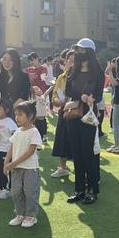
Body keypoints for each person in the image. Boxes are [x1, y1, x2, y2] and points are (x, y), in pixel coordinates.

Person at [65, 38, 105, 205]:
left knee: (88, 154)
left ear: (89, 52)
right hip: (73, 114)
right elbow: (67, 90)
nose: (78, 53)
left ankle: (92, 190)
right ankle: (79, 189)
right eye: (77, 50)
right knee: (77, 153)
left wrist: (88, 97)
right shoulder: (74, 70)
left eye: (81, 50)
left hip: (88, 115)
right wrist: (79, 95)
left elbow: (100, 95)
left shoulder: (97, 72)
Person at [3, 102, 43, 228]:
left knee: (30, 192)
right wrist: (6, 162)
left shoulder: (34, 132)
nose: (17, 117)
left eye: (20, 115)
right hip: (17, 169)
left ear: (30, 116)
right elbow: (12, 146)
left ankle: (31, 216)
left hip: (30, 169)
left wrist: (13, 163)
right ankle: (20, 214)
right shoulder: (18, 131)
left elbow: (30, 152)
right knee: (16, 192)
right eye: (15, 114)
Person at [51, 50, 74, 178]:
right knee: (62, 140)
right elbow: (55, 96)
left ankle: (82, 169)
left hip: (77, 113)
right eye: (70, 61)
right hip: (64, 111)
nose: (72, 64)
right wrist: (58, 101)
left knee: (77, 143)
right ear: (65, 62)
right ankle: (63, 167)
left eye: (75, 61)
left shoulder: (81, 77)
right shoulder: (61, 77)